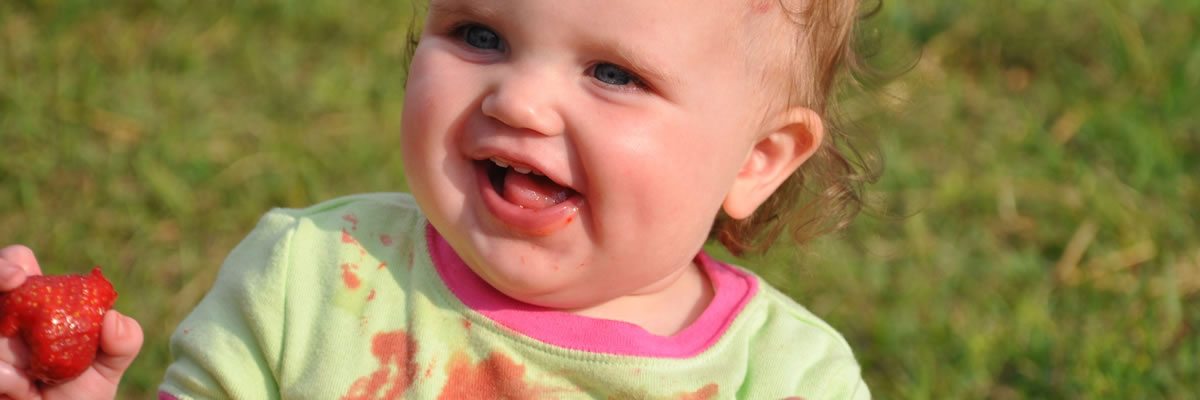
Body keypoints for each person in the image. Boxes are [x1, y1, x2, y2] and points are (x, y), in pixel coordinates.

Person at [3, 0, 883, 398]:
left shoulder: (787, 379)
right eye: (479, 34)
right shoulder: (312, 279)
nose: (519, 101)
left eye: (613, 72)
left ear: (758, 160)